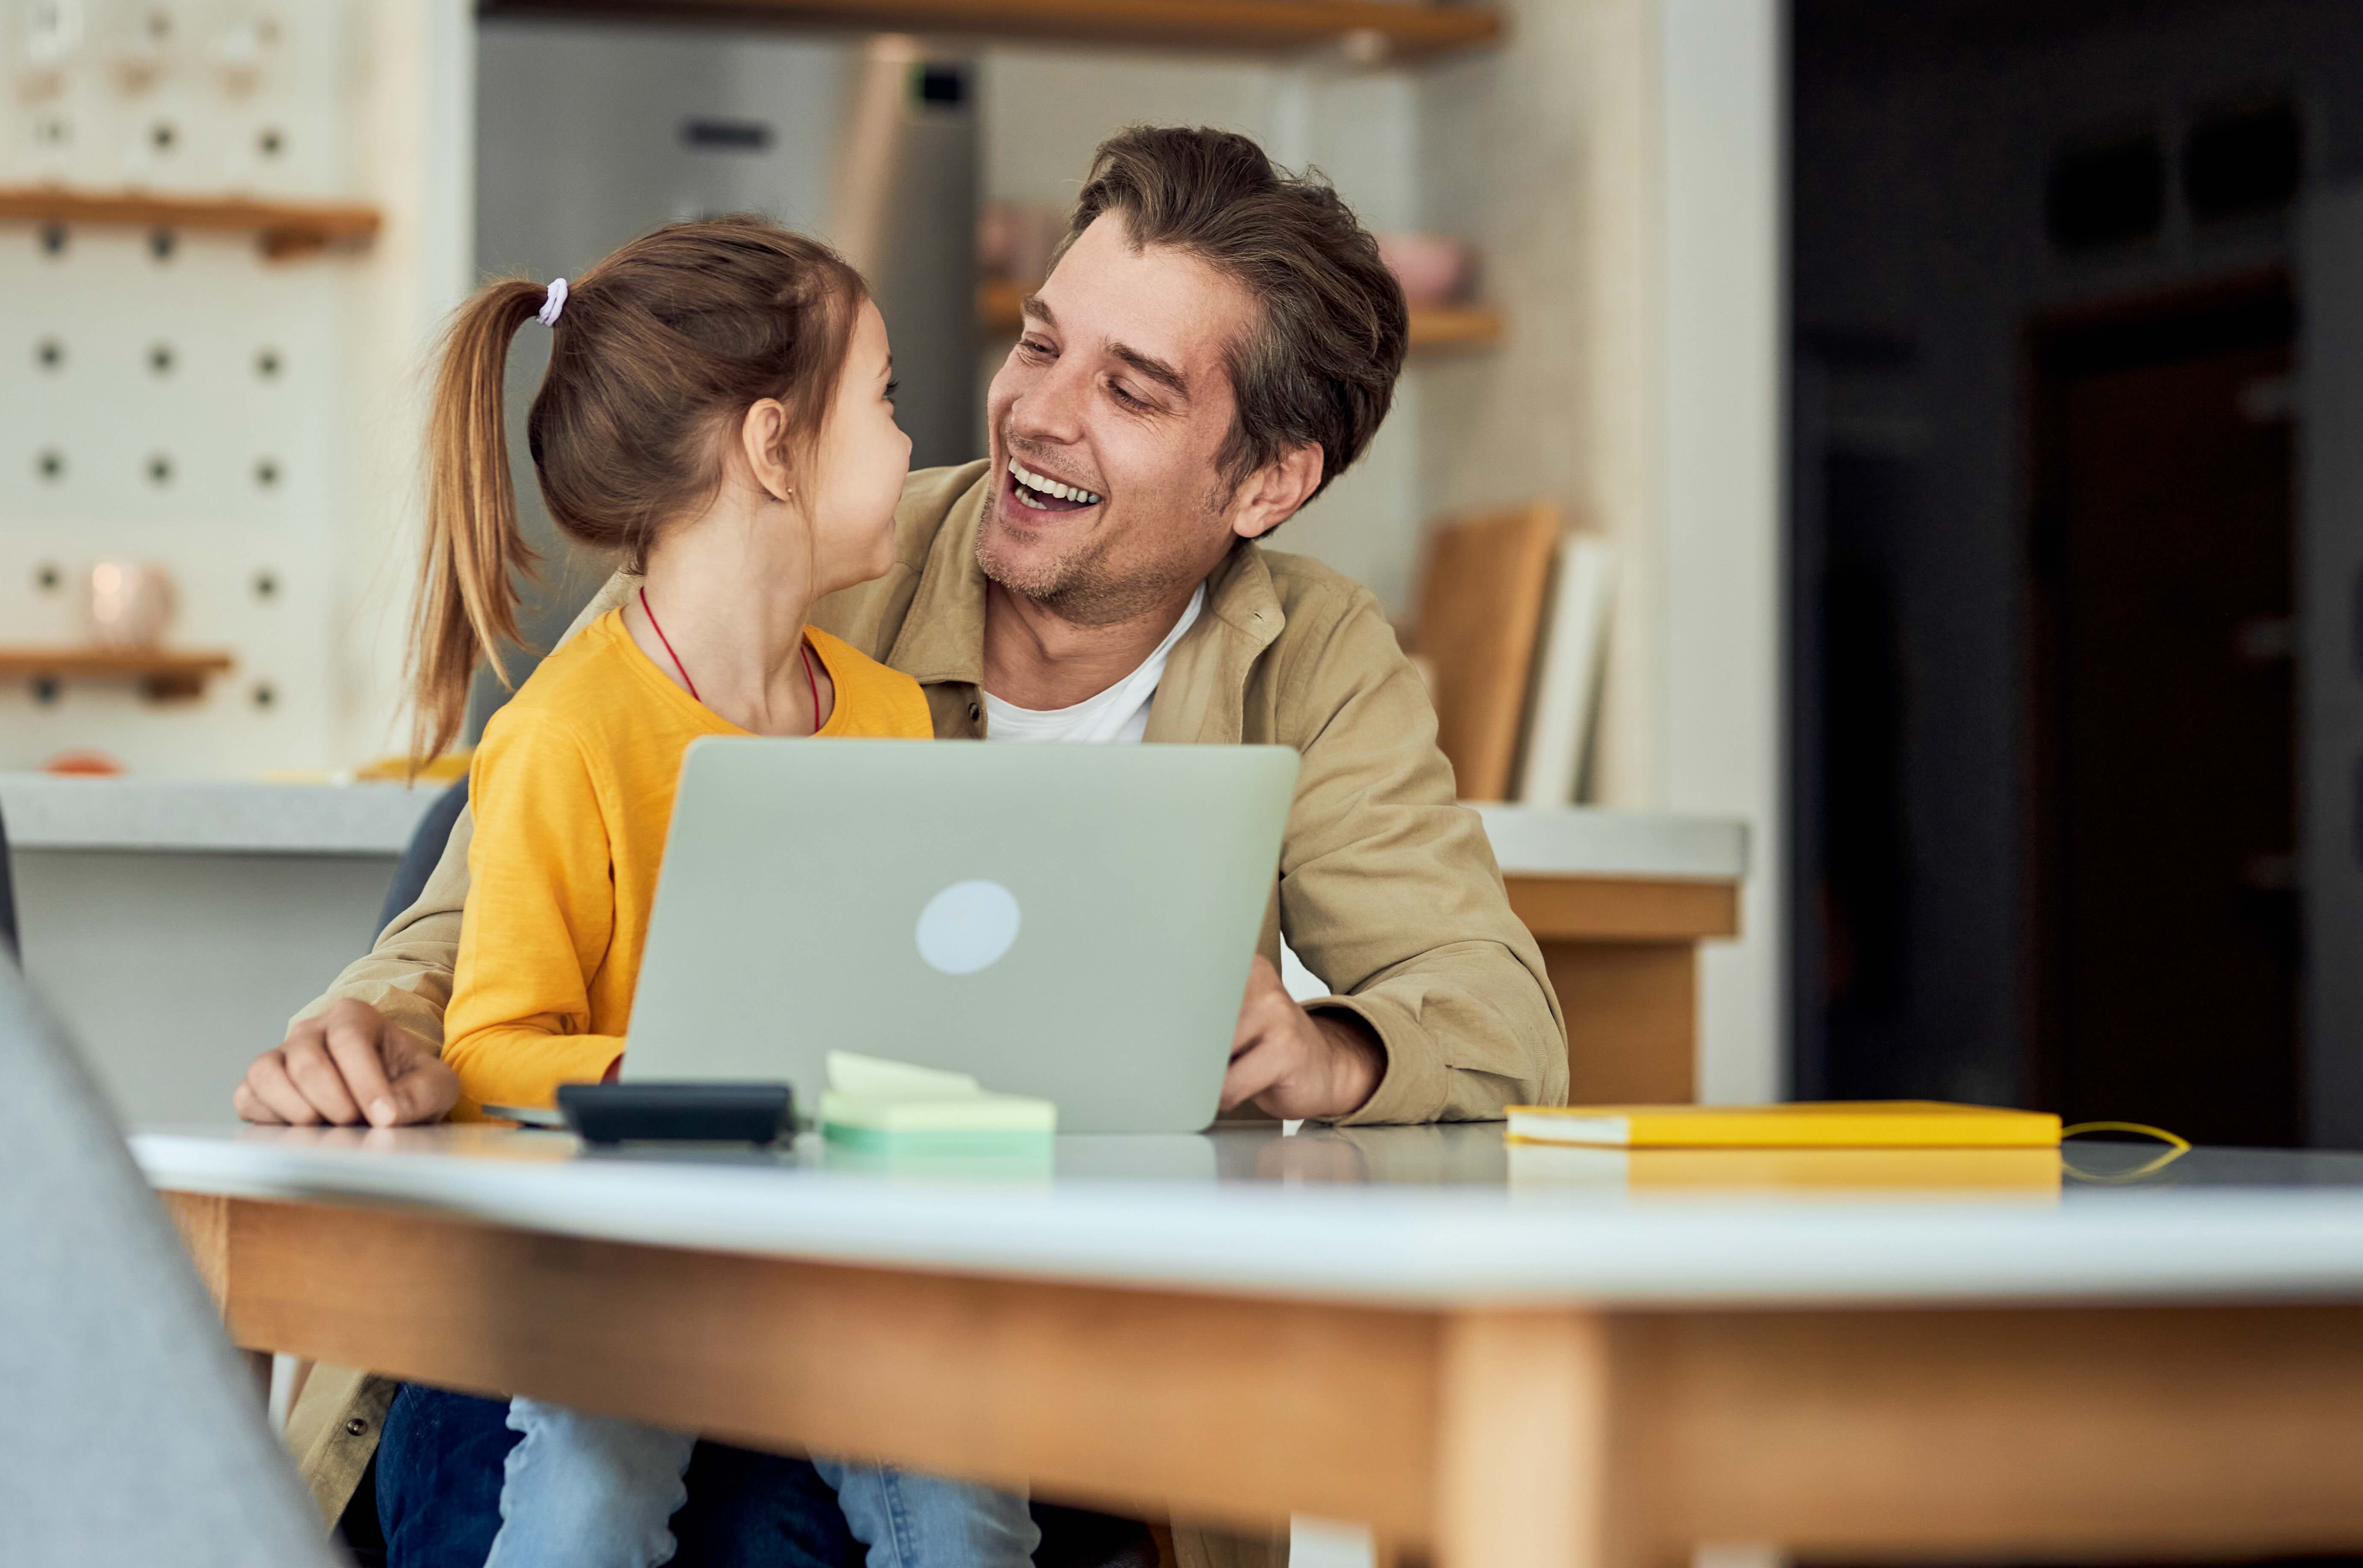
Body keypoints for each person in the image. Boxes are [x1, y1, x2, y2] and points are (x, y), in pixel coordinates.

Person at [236, 127, 1572, 1568]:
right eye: (1042, 344)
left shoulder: (1314, 659)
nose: (1037, 414)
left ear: (1265, 485)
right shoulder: (784, 545)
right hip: (638, 1317)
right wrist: (355, 1031)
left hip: (985, 1343)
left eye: (1128, 390)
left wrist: (1335, 1052)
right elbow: (464, 928)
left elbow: (1503, 1021)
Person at [393, 218, 1039, 1568]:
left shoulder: (888, 717)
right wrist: (693, 1080)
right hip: (628, 1264)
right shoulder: (567, 735)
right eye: (883, 401)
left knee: (973, 1507)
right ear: (771, 446)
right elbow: (486, 1045)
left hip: (846, 1265)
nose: (914, 445)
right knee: (586, 1494)